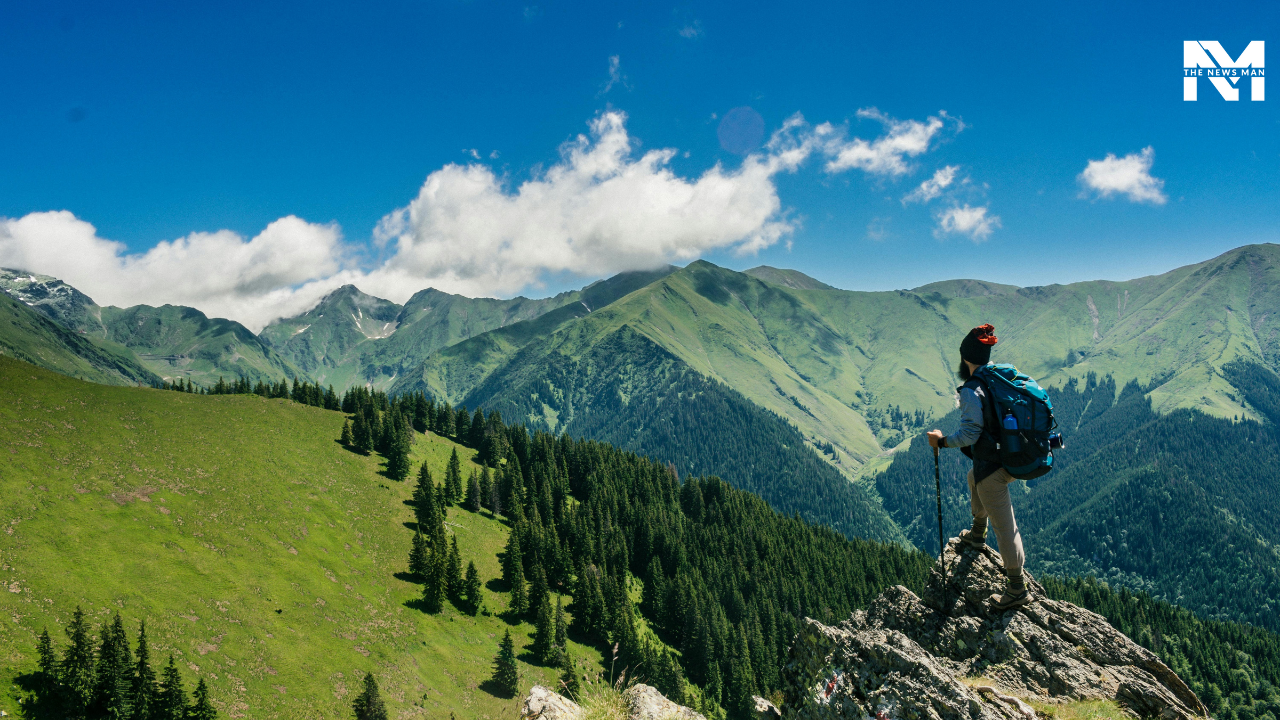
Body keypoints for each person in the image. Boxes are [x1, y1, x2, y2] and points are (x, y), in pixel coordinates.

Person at [926, 323, 1030, 610]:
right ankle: (976, 534)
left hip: (996, 466)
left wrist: (941, 441)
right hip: (1012, 454)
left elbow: (970, 434)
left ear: (965, 359)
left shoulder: (973, 389)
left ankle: (1017, 588)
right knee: (975, 477)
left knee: (1005, 526)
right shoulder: (998, 376)